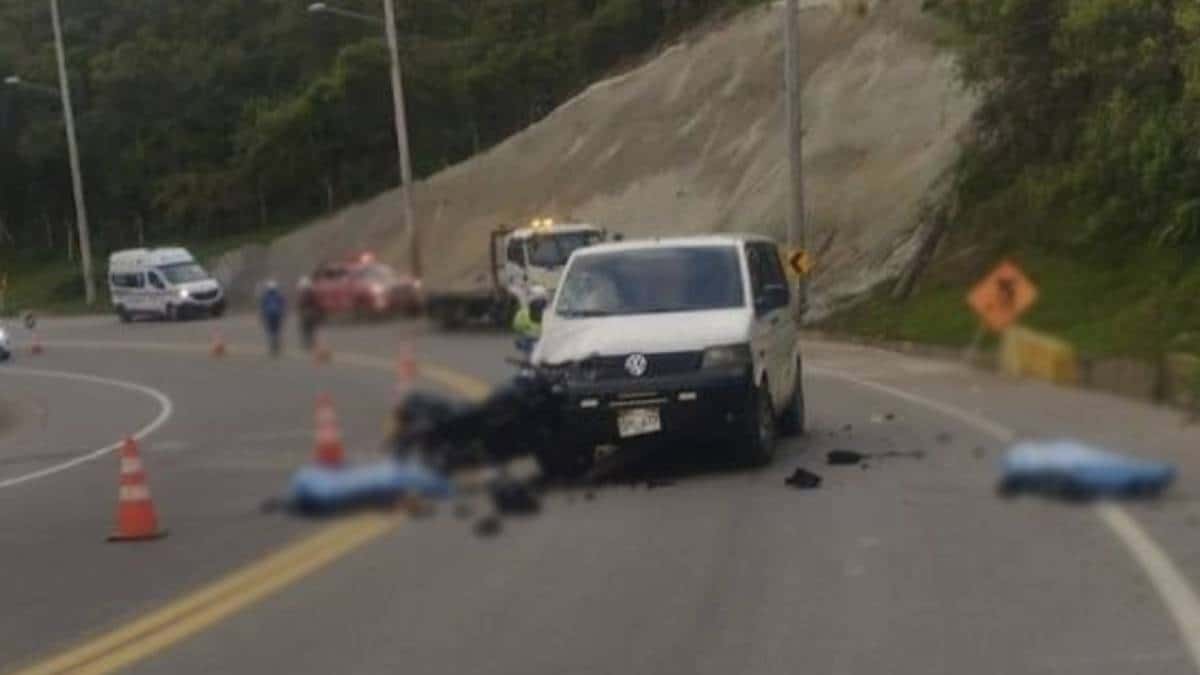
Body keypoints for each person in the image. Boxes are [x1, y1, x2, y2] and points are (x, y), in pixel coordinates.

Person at [512, 286, 548, 354]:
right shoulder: (549, 311)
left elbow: (517, 326)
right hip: (539, 339)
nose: (539, 303)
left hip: (533, 339)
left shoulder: (523, 312)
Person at [259, 279, 287, 357]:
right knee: (277, 330)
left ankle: (273, 345)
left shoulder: (265, 296)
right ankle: (276, 344)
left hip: (269, 315)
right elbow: (283, 305)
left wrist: (262, 316)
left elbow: (263, 307)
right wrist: (283, 315)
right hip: (277, 315)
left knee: (271, 331)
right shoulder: (279, 295)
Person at [296, 276, 321, 351]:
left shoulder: (304, 295)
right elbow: (317, 304)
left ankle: (308, 344)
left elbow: (301, 305)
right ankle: (311, 343)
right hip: (312, 314)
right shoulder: (313, 293)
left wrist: (300, 312)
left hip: (307, 315)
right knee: (311, 330)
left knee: (306, 330)